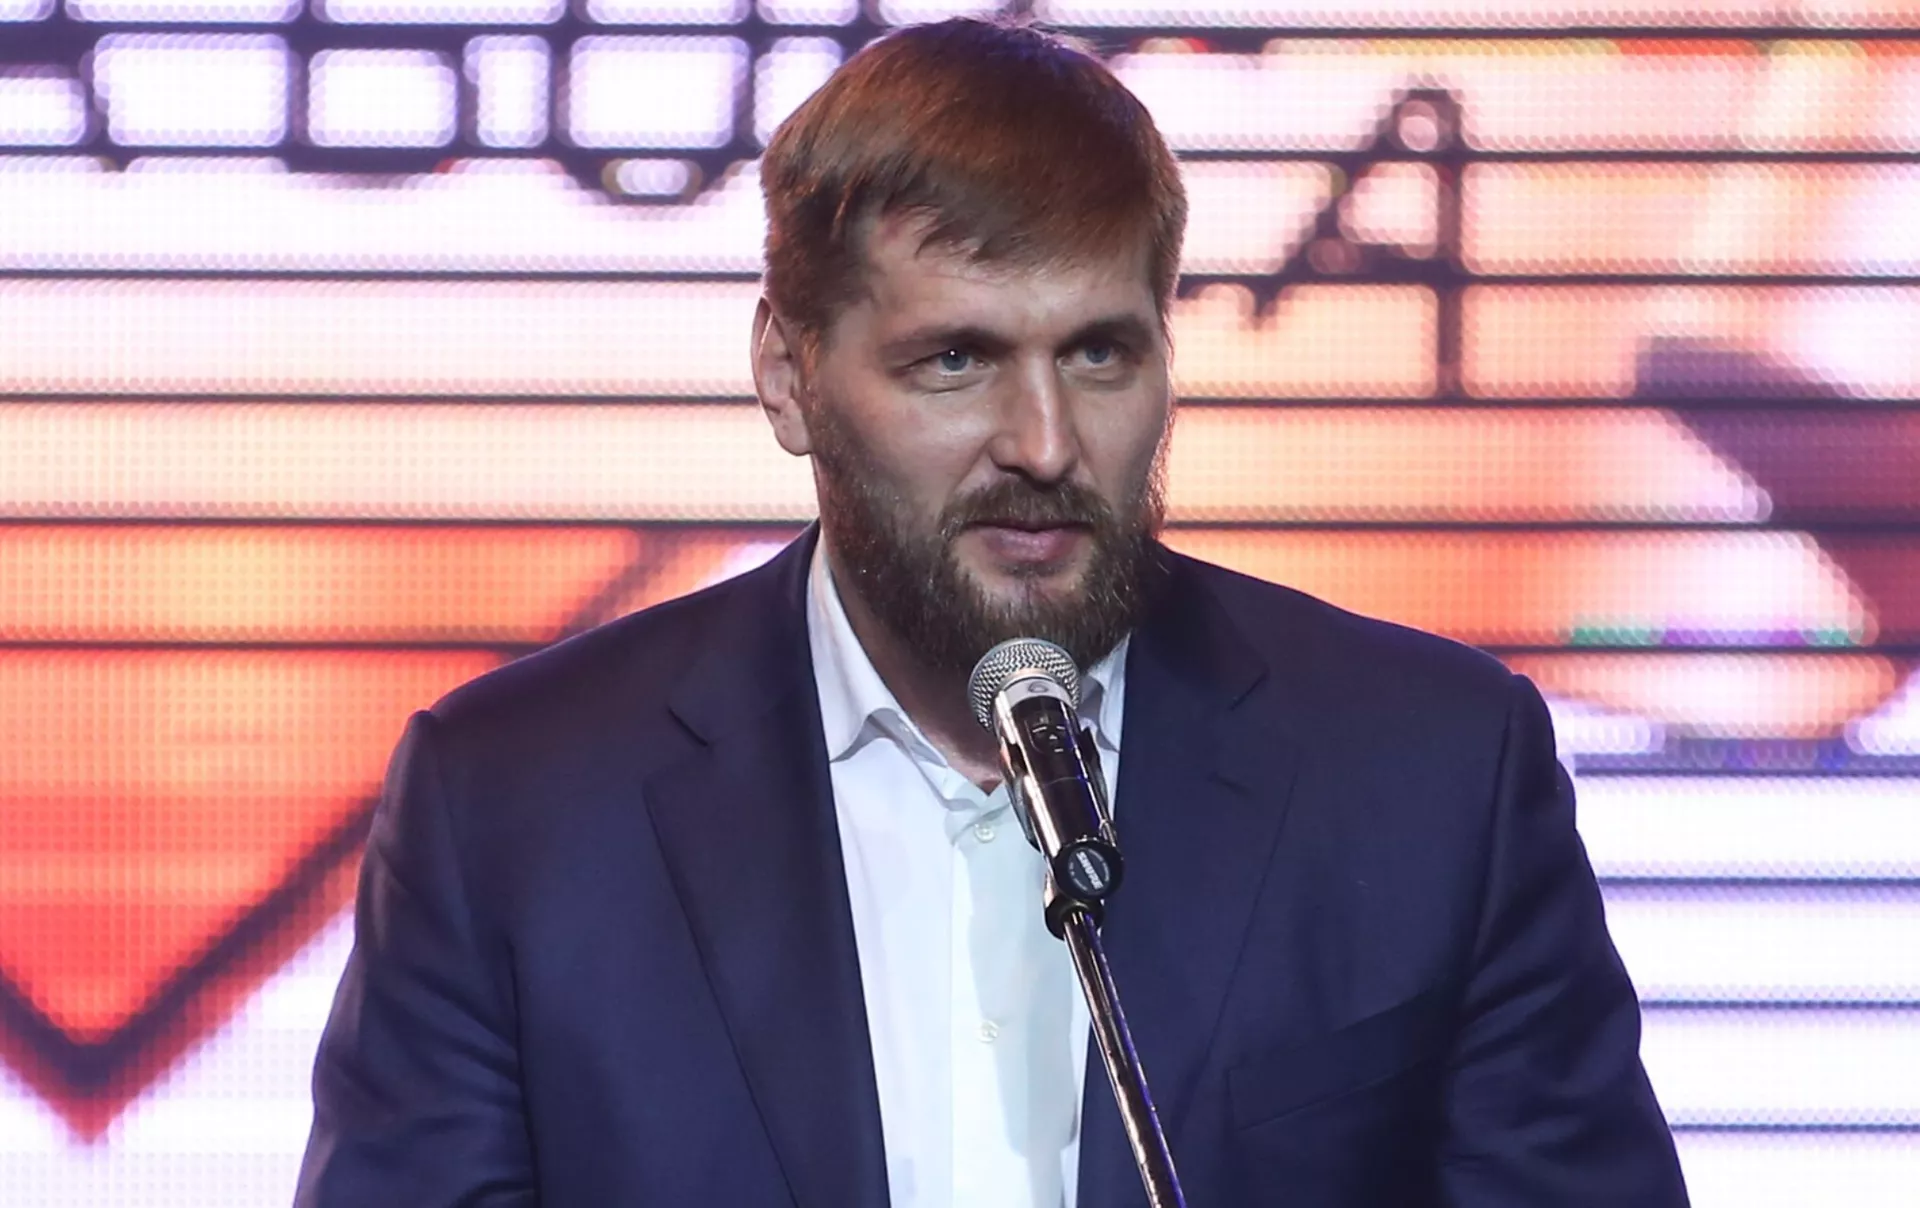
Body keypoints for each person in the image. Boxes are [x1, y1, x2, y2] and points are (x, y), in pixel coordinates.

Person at [295, 18, 1688, 1207]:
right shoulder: (515, 809)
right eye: (956, 359)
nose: (1043, 442)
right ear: (789, 374)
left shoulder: (1432, 773)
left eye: (1099, 353)